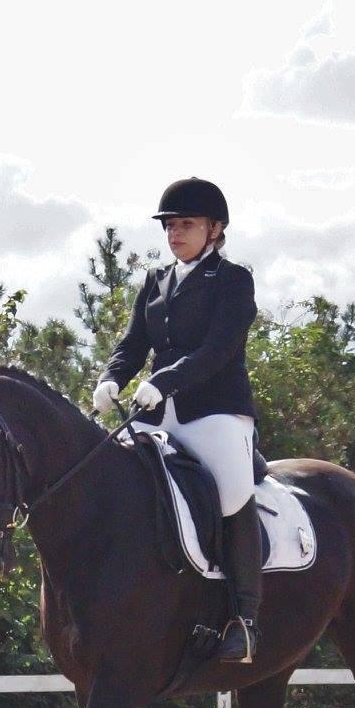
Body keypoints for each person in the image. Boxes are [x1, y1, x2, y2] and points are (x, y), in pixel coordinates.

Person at [92, 177, 262, 663]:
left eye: (185, 224)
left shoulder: (233, 280)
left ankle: (245, 621)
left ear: (215, 228)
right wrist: (111, 377)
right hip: (155, 409)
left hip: (215, 411)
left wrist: (166, 380)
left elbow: (219, 349)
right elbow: (132, 344)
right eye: (169, 225)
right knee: (110, 476)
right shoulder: (156, 281)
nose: (174, 233)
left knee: (232, 493)